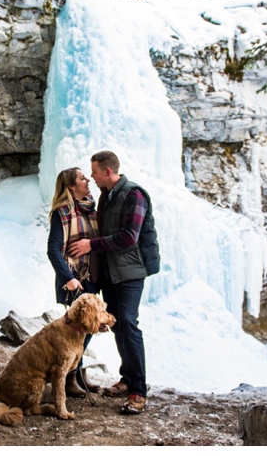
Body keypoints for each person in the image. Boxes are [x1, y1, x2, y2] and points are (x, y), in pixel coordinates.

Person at [68, 150, 159, 415]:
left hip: (130, 273)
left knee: (128, 323)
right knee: (117, 324)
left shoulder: (134, 194)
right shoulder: (107, 195)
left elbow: (130, 237)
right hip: (110, 271)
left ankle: (138, 392)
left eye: (94, 172)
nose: (92, 177)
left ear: (108, 171)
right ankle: (127, 379)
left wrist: (90, 245)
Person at [46, 167, 101, 397]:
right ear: (71, 186)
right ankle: (69, 377)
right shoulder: (62, 213)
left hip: (92, 276)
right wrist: (68, 278)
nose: (87, 180)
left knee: (86, 331)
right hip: (75, 280)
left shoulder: (90, 207)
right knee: (81, 330)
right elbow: (53, 250)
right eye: (81, 178)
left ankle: (77, 373)